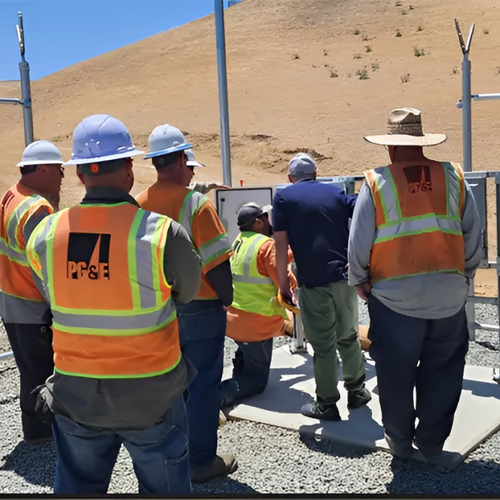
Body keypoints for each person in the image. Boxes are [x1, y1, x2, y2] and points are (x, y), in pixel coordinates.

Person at [26, 114, 201, 494]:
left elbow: (53, 294)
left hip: (76, 396)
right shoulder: (161, 233)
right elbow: (187, 292)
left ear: (78, 175)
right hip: (152, 395)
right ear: (129, 168)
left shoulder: (44, 234)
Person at [348, 107, 482, 468]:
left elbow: (359, 240)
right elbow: (472, 232)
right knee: (444, 368)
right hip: (449, 295)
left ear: (390, 148)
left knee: (395, 370)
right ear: (421, 142)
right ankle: (433, 444)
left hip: (394, 298)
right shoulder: (453, 177)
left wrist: (360, 279)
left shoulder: (377, 182)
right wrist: (463, 273)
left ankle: (401, 441)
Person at [136, 124, 236, 483]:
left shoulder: (139, 204)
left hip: (155, 311)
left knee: (168, 384)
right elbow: (217, 262)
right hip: (199, 309)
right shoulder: (196, 205)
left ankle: (168, 460)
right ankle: (201, 461)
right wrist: (228, 298)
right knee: (204, 386)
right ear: (182, 158)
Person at [273, 153, 370, 421]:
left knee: (324, 345)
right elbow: (365, 215)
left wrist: (283, 284)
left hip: (312, 280)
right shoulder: (336, 193)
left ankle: (327, 404)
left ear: (291, 179)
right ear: (316, 174)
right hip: (344, 277)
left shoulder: (283, 198)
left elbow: (280, 248)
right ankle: (357, 391)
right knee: (349, 335)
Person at [0, 140, 64, 444]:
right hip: (31, 301)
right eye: (59, 170)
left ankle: (35, 432)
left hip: (11, 297)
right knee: (41, 368)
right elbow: (45, 265)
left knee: (29, 367)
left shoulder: (12, 195)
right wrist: (59, 305)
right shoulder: (37, 208)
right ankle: (44, 432)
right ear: (42, 169)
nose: (63, 176)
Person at [221, 202, 296, 407]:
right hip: (257, 323)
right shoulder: (266, 245)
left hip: (235, 319)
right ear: (258, 222)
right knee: (256, 381)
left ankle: (241, 368)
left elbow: (261, 263)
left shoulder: (238, 241)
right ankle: (211, 397)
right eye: (265, 217)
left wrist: (289, 253)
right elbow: (284, 281)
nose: (268, 221)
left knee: (248, 355)